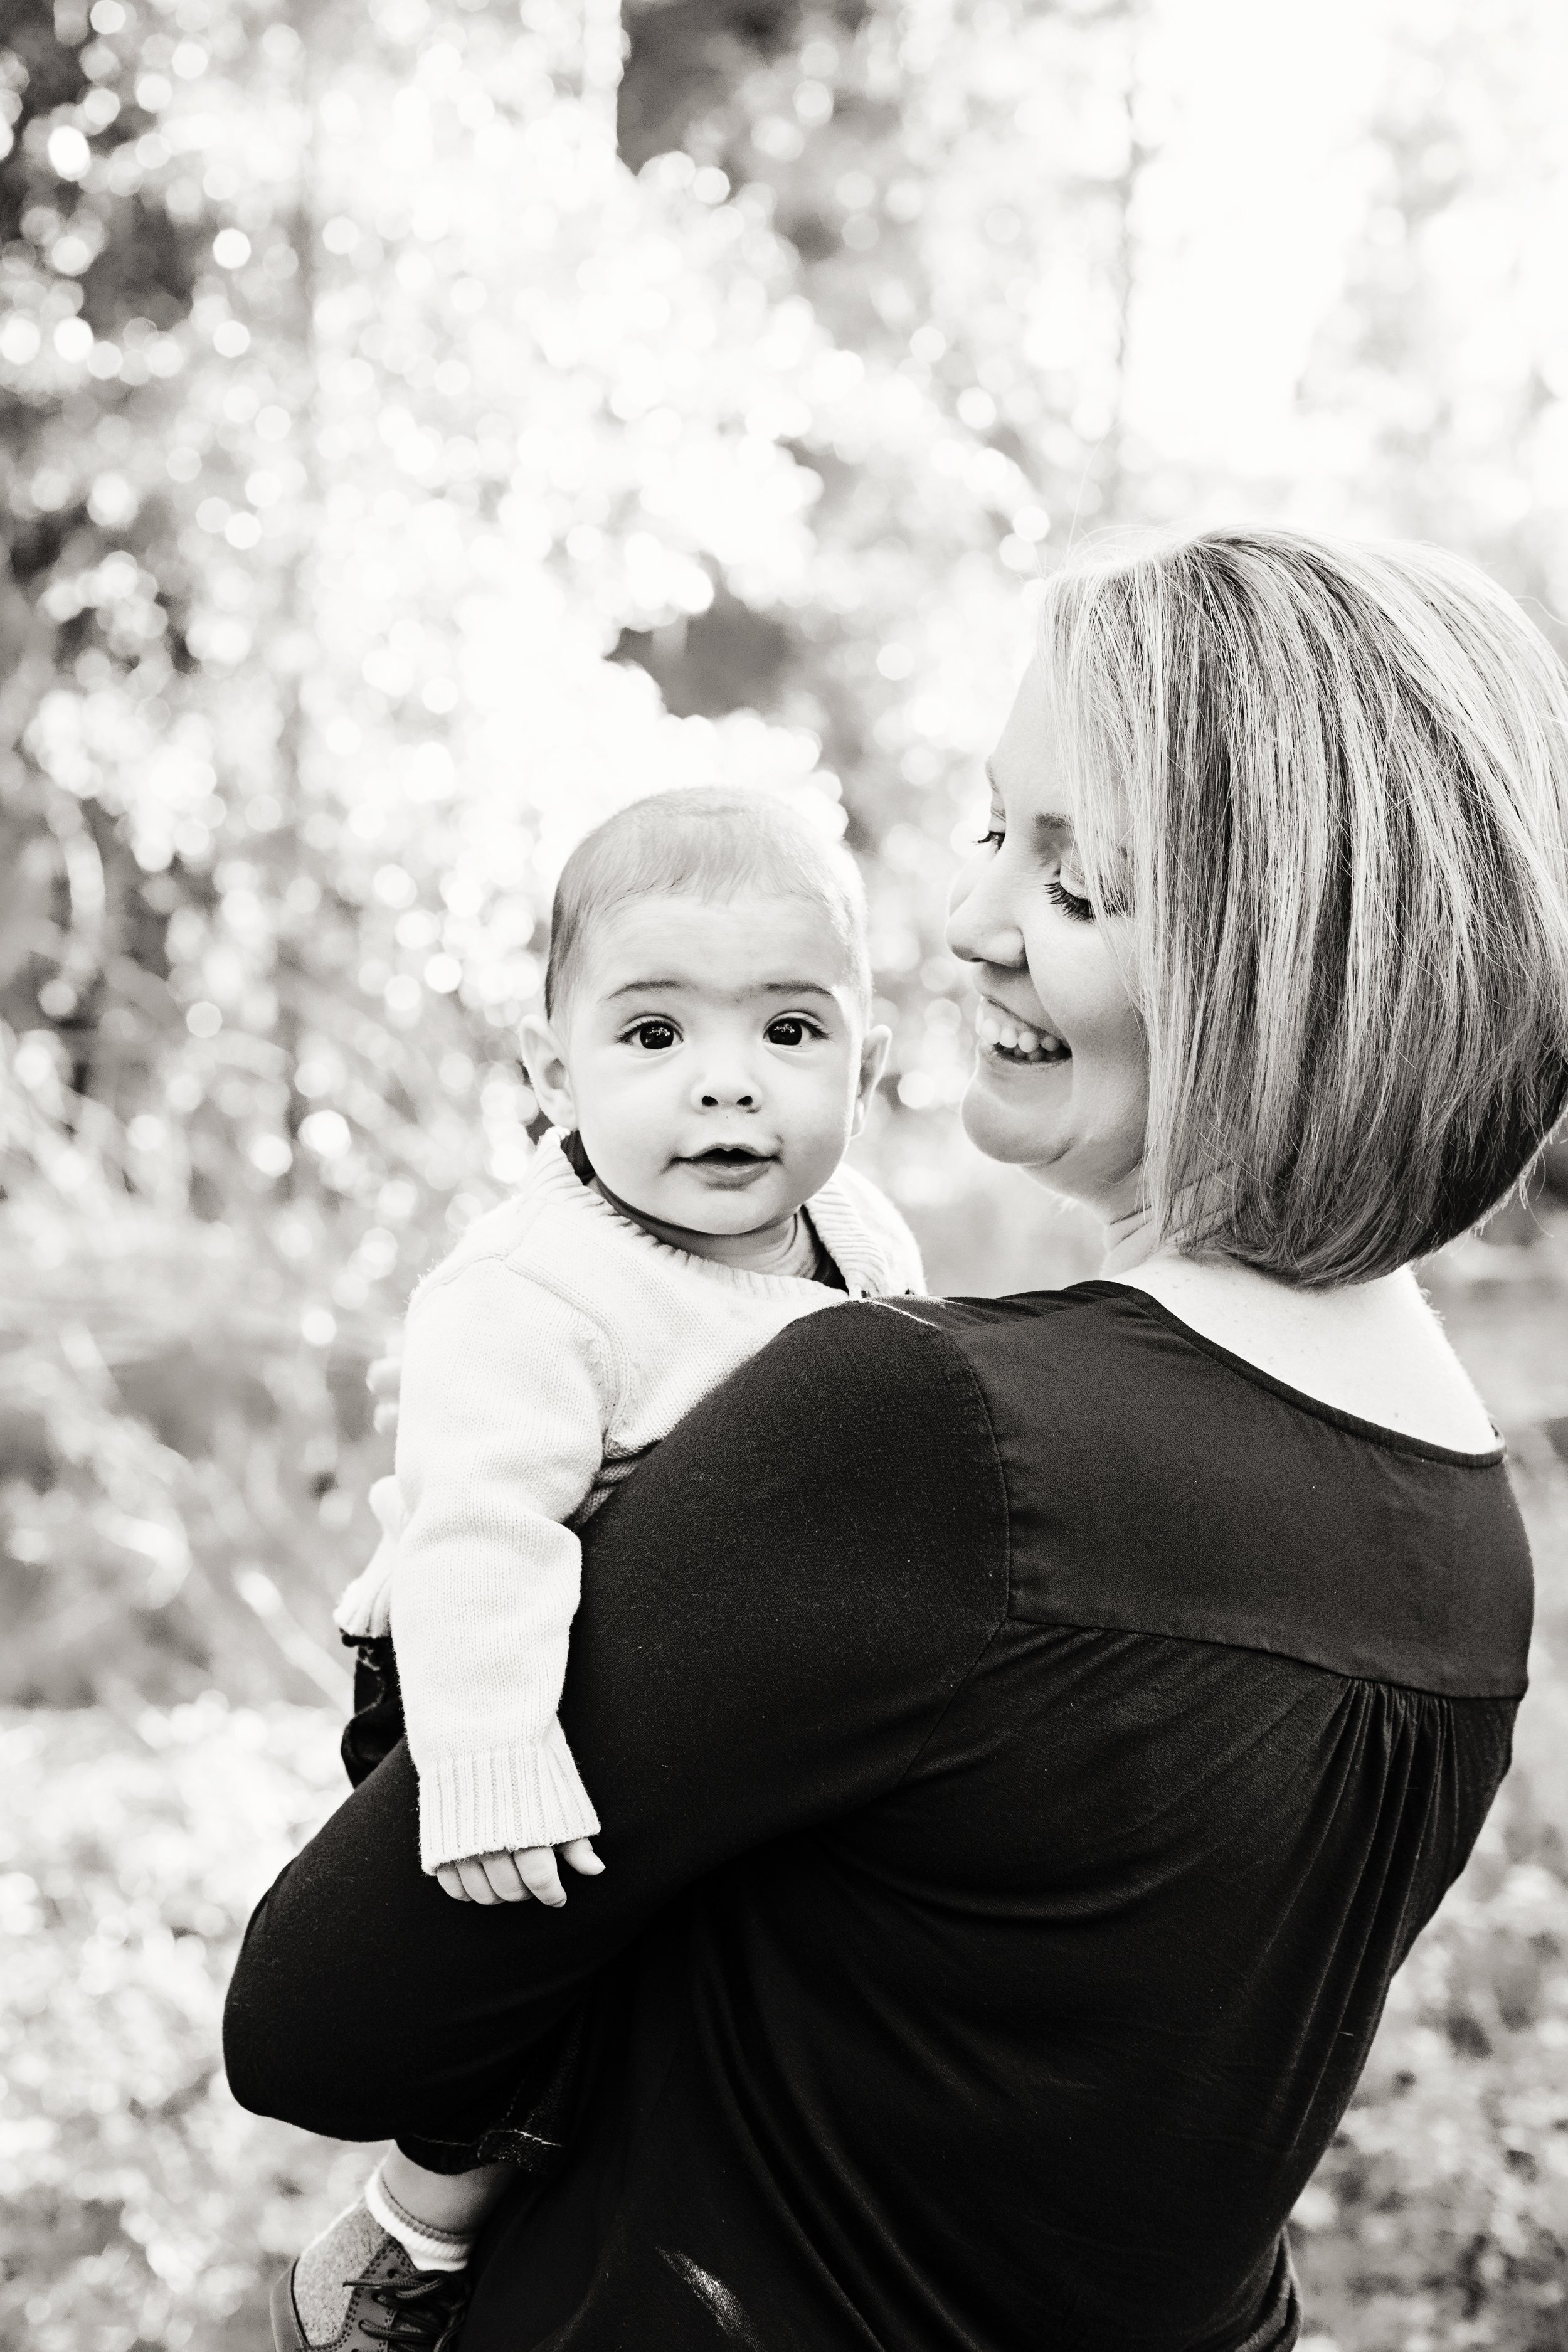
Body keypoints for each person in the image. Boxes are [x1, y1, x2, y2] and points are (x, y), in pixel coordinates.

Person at [225, 526, 1568, 2352]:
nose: (967, 922)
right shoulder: (1467, 1543)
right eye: (993, 828)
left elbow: (318, 2021)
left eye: (1079, 886)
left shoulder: (924, 1431)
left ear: (1288, 968)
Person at [274, 786, 924, 2322]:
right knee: (537, 1975)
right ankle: (406, 2234)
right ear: (547, 1070)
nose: (726, 1091)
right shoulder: (529, 1289)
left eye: (788, 1033)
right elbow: (477, 1536)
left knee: (680, 1975)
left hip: (655, 1665)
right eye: (652, 1039)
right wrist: (485, 1755)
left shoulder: (864, 1240)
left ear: (868, 1065)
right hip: (477, 1667)